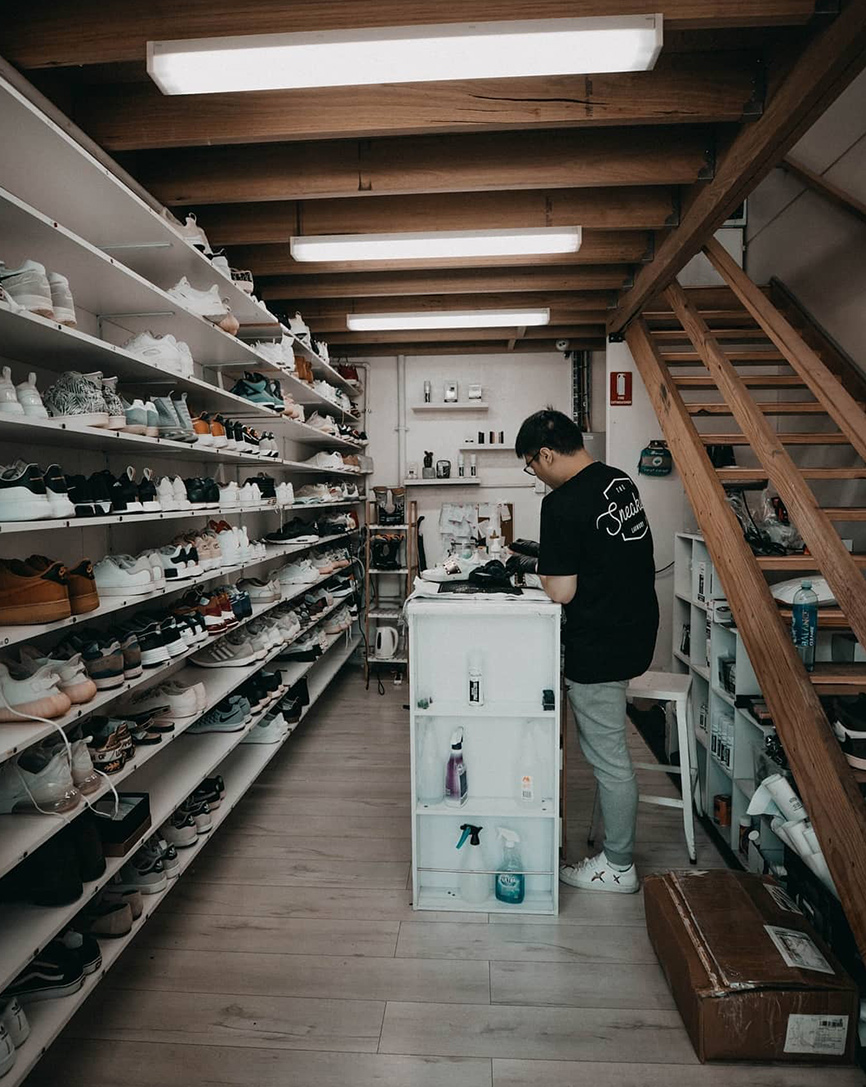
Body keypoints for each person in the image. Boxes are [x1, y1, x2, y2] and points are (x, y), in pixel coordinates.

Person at [513, 408, 658, 893]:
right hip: (636, 629)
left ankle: (618, 866)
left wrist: (536, 571)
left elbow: (562, 592)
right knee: (607, 751)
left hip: (599, 644)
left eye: (531, 464)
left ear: (547, 454)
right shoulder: (619, 481)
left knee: (610, 757)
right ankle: (608, 845)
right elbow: (605, 553)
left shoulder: (561, 504)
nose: (533, 473)